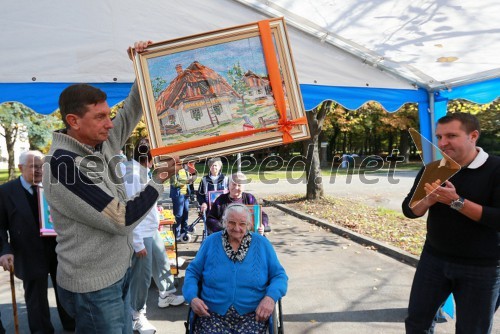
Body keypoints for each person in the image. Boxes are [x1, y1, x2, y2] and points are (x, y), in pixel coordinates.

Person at [42, 41, 180, 333]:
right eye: (101, 117)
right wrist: (157, 181)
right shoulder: (63, 166)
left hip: (116, 272)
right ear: (73, 121)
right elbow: (122, 219)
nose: (110, 123)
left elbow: (131, 109)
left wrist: (142, 65)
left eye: (108, 114)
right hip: (93, 287)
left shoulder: (99, 142)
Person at [402, 112, 500, 333]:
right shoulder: (434, 168)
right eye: (439, 137)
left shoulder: (496, 168)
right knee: (417, 323)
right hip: (433, 259)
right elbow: (409, 210)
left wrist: (456, 202)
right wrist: (428, 199)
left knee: (472, 329)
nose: (442, 143)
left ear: (473, 136)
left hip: (482, 267)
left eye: (451, 136)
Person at [0, 150, 75, 333]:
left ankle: (72, 325)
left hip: (59, 249)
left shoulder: (53, 187)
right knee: (36, 298)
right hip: (28, 250)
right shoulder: (6, 191)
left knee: (66, 291)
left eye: (42, 166)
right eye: (34, 166)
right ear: (20, 168)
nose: (39, 170)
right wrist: (4, 250)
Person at [183, 203, 288, 333]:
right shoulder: (211, 242)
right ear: (224, 222)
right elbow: (192, 272)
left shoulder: (262, 244)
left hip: (252, 316)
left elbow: (279, 276)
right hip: (212, 315)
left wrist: (270, 298)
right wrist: (192, 297)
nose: (236, 228)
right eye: (231, 222)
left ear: (249, 225)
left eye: (242, 224)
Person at [122, 138, 184, 333]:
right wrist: (138, 242)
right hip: (141, 234)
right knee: (141, 277)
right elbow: (130, 211)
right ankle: (136, 315)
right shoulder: (132, 174)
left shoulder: (141, 171)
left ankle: (166, 293)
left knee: (162, 261)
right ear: (152, 158)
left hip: (149, 229)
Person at [170, 162, 196, 241]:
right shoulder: (173, 170)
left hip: (186, 195)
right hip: (178, 195)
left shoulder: (186, 169)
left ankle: (184, 231)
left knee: (185, 213)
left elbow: (190, 182)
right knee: (178, 215)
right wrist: (187, 181)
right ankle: (176, 233)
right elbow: (174, 183)